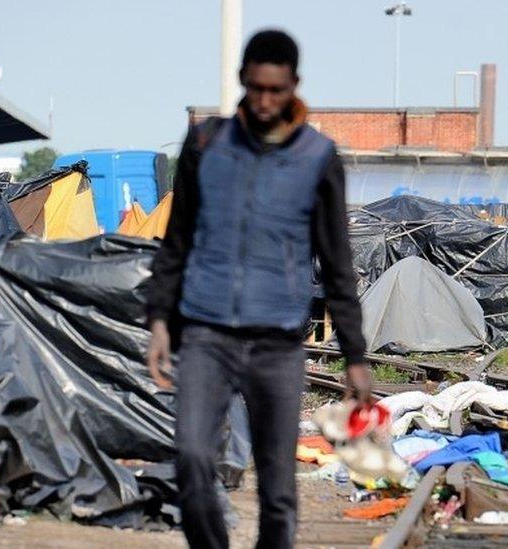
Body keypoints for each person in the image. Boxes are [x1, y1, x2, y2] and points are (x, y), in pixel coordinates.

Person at [144, 29, 372, 549]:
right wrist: (160, 318)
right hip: (205, 333)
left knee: (277, 488)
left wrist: (355, 355)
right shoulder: (206, 143)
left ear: (294, 84)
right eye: (256, 88)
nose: (266, 101)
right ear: (242, 81)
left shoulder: (319, 158)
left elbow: (337, 261)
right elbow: (177, 239)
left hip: (277, 343)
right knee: (193, 459)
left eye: (277, 90)